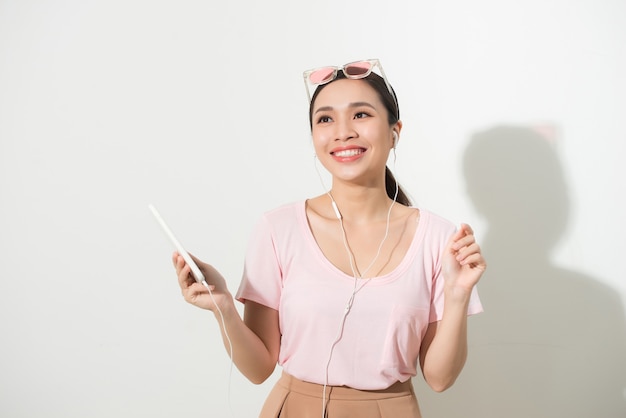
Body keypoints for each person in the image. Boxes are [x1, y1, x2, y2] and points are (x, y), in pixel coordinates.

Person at [173, 59, 486, 418]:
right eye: (325, 119)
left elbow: (440, 378)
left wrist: (458, 295)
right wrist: (224, 307)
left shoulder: (440, 238)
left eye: (361, 115)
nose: (342, 132)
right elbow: (258, 369)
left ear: (394, 131)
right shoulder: (278, 229)